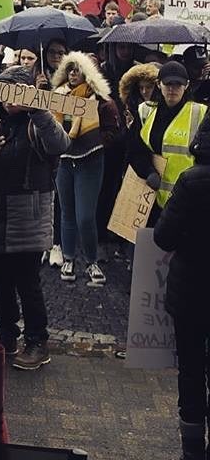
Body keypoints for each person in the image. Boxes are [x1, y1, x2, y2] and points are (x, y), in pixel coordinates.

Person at [0, 66, 70, 371]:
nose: (10, 100)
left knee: (28, 283)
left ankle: (37, 341)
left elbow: (60, 145)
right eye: (5, 91)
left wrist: (38, 109)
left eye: (17, 91)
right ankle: (6, 335)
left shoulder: (36, 124)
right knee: (0, 281)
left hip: (28, 216)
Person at [153, 114, 210, 460]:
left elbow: (163, 236)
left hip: (189, 291)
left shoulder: (190, 181)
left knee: (190, 370)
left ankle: (191, 449)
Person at [51, 53, 120, 286]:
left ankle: (91, 261)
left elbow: (113, 130)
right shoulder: (57, 96)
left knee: (85, 216)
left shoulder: (100, 100)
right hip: (64, 159)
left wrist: (97, 139)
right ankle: (69, 258)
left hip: (90, 159)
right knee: (66, 213)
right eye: (69, 68)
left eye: (77, 69)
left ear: (87, 73)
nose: (72, 73)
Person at [128, 61, 207, 218]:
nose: (172, 88)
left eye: (178, 84)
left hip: (188, 199)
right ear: (159, 84)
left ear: (187, 85)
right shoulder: (145, 111)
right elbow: (134, 149)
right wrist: (148, 171)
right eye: (168, 83)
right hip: (150, 196)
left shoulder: (201, 113)